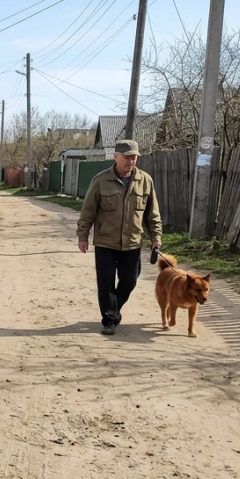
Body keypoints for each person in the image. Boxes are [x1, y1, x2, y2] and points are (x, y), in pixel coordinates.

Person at [76, 139, 162, 336]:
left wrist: (156, 236)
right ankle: (109, 320)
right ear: (115, 156)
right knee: (105, 283)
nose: (130, 161)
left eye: (134, 157)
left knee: (130, 280)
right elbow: (87, 210)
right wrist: (83, 235)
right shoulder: (100, 180)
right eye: (126, 157)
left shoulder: (145, 180)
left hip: (132, 242)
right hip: (106, 241)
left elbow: (152, 213)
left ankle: (113, 311)